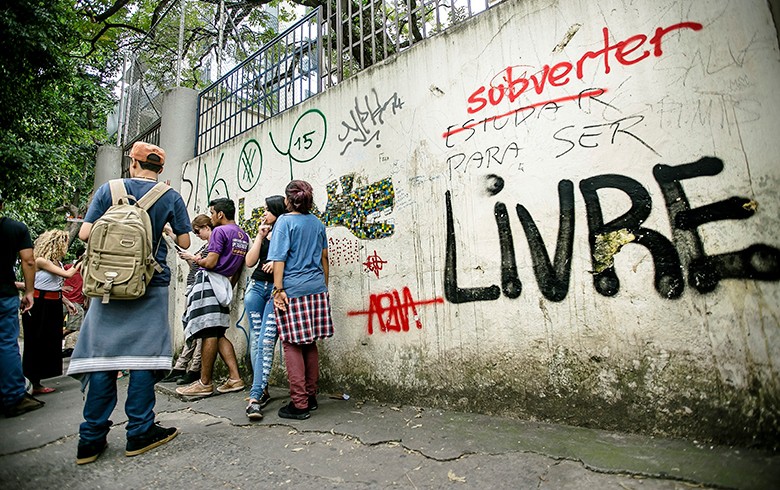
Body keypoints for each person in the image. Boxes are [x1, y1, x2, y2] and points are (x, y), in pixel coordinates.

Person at [67, 141, 191, 465]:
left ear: (132, 164)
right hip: (149, 286)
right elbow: (185, 241)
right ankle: (139, 431)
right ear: (159, 169)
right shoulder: (170, 196)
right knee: (143, 359)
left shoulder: (110, 190)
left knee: (102, 360)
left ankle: (90, 440)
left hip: (107, 285)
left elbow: (85, 235)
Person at [267, 180, 333, 420]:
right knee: (309, 342)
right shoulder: (317, 223)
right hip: (316, 288)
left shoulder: (284, 222)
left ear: (288, 200)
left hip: (293, 289)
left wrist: (278, 290)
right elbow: (325, 258)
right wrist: (323, 286)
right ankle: (311, 396)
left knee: (291, 343)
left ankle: (300, 403)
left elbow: (279, 260)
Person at [177, 198, 249, 397]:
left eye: (211, 212)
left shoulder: (219, 231)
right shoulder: (243, 234)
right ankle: (235, 378)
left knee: (208, 331)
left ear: (220, 214)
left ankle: (204, 382)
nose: (210, 216)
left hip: (209, 284)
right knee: (218, 333)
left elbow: (210, 262)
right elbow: (238, 267)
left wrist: (195, 259)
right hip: (224, 285)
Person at [0, 191, 45, 417]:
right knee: (7, 344)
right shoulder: (15, 228)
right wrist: (29, 291)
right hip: (3, 293)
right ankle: (12, 397)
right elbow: (28, 260)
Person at [22, 229, 80, 394]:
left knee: (50, 342)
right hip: (40, 304)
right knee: (35, 342)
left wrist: (67, 302)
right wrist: (80, 262)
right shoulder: (42, 261)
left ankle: (38, 380)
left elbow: (52, 286)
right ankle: (32, 381)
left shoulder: (57, 263)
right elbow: (68, 274)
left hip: (53, 303)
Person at [244, 195, 286, 420]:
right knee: (256, 340)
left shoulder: (285, 230)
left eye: (267, 210)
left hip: (274, 291)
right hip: (256, 289)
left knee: (266, 341)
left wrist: (276, 263)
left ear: (276, 211)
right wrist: (259, 236)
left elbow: (290, 258)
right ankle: (263, 389)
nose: (264, 213)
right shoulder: (264, 232)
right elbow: (249, 262)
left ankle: (255, 395)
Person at [161, 214, 212, 385]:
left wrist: (193, 258)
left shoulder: (212, 246)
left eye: (198, 231)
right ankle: (181, 366)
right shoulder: (206, 246)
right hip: (193, 287)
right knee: (190, 329)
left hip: (200, 288)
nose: (197, 235)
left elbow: (206, 265)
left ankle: (193, 368)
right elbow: (196, 265)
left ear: (206, 227)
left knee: (197, 331)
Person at [62, 245, 87, 357]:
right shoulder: (68, 267)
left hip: (77, 302)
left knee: (74, 327)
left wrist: (86, 299)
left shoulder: (87, 272)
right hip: (64, 300)